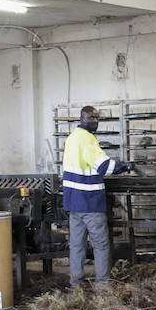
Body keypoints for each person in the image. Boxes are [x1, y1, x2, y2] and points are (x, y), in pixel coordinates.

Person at [62, 106, 130, 288]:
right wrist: (124, 166)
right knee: (101, 246)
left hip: (73, 202)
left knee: (77, 245)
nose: (96, 121)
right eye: (92, 117)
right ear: (83, 118)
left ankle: (76, 285)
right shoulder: (87, 138)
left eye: (97, 117)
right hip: (90, 202)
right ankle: (103, 287)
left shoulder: (72, 137)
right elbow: (103, 166)